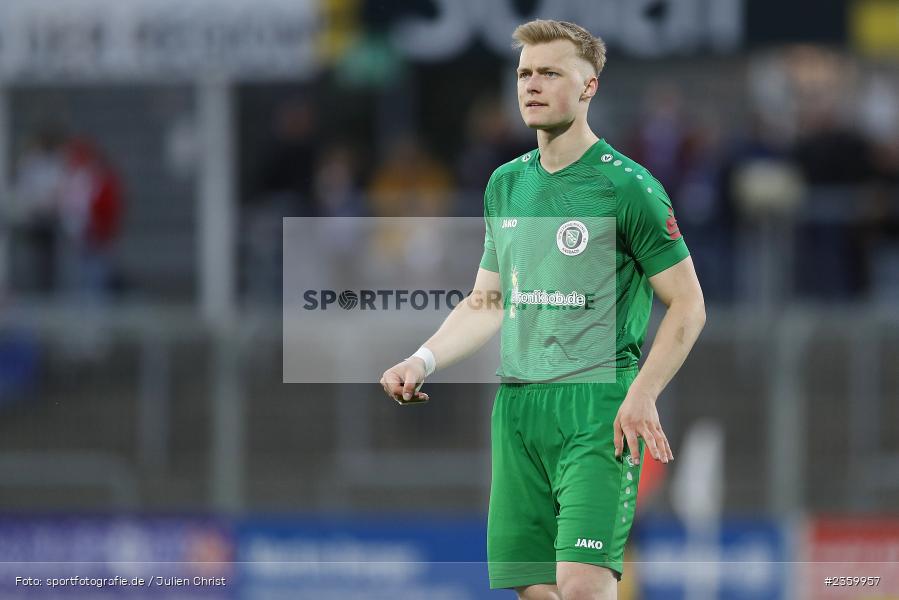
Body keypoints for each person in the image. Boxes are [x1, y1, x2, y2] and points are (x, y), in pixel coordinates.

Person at [379, 19, 705, 600]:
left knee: (582, 586)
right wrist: (422, 360)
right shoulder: (505, 185)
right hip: (519, 407)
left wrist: (643, 391)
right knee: (535, 589)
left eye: (550, 72)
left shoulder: (628, 187)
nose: (531, 84)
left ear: (589, 87)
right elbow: (487, 302)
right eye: (524, 73)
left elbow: (688, 304)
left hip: (598, 406)